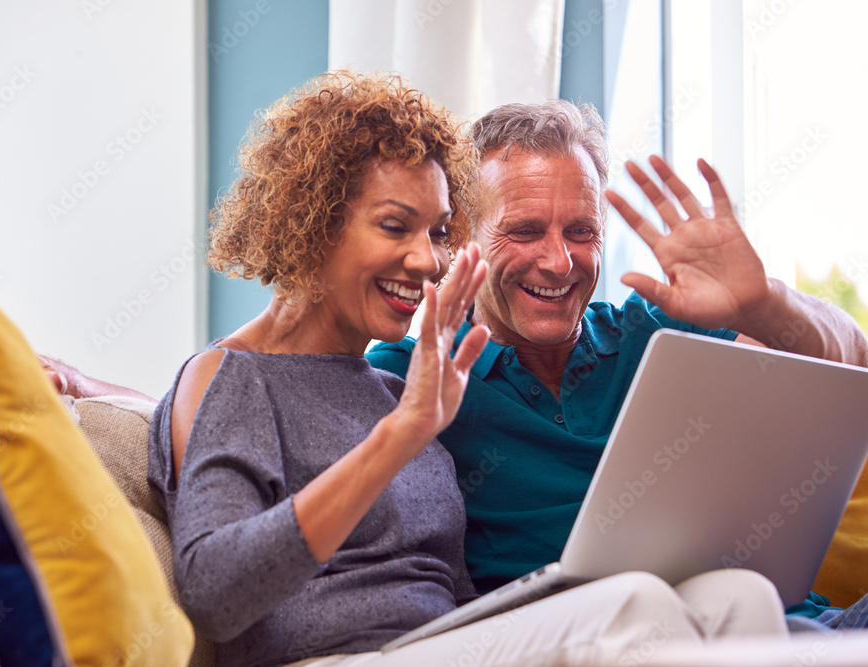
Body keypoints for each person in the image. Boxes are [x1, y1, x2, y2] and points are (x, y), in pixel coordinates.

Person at [141, 72, 786, 667]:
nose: (428, 261)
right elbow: (216, 594)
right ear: (312, 222)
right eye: (396, 226)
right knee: (636, 608)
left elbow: (450, 592)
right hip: (334, 658)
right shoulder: (235, 377)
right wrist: (400, 437)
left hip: (437, 646)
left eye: (441, 232)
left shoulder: (397, 388)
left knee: (739, 599)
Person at [366, 100, 868, 627]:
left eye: (581, 232)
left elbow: (851, 359)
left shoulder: (657, 330)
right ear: (464, 232)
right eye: (526, 230)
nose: (559, 263)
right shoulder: (411, 373)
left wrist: (762, 303)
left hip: (795, 628)